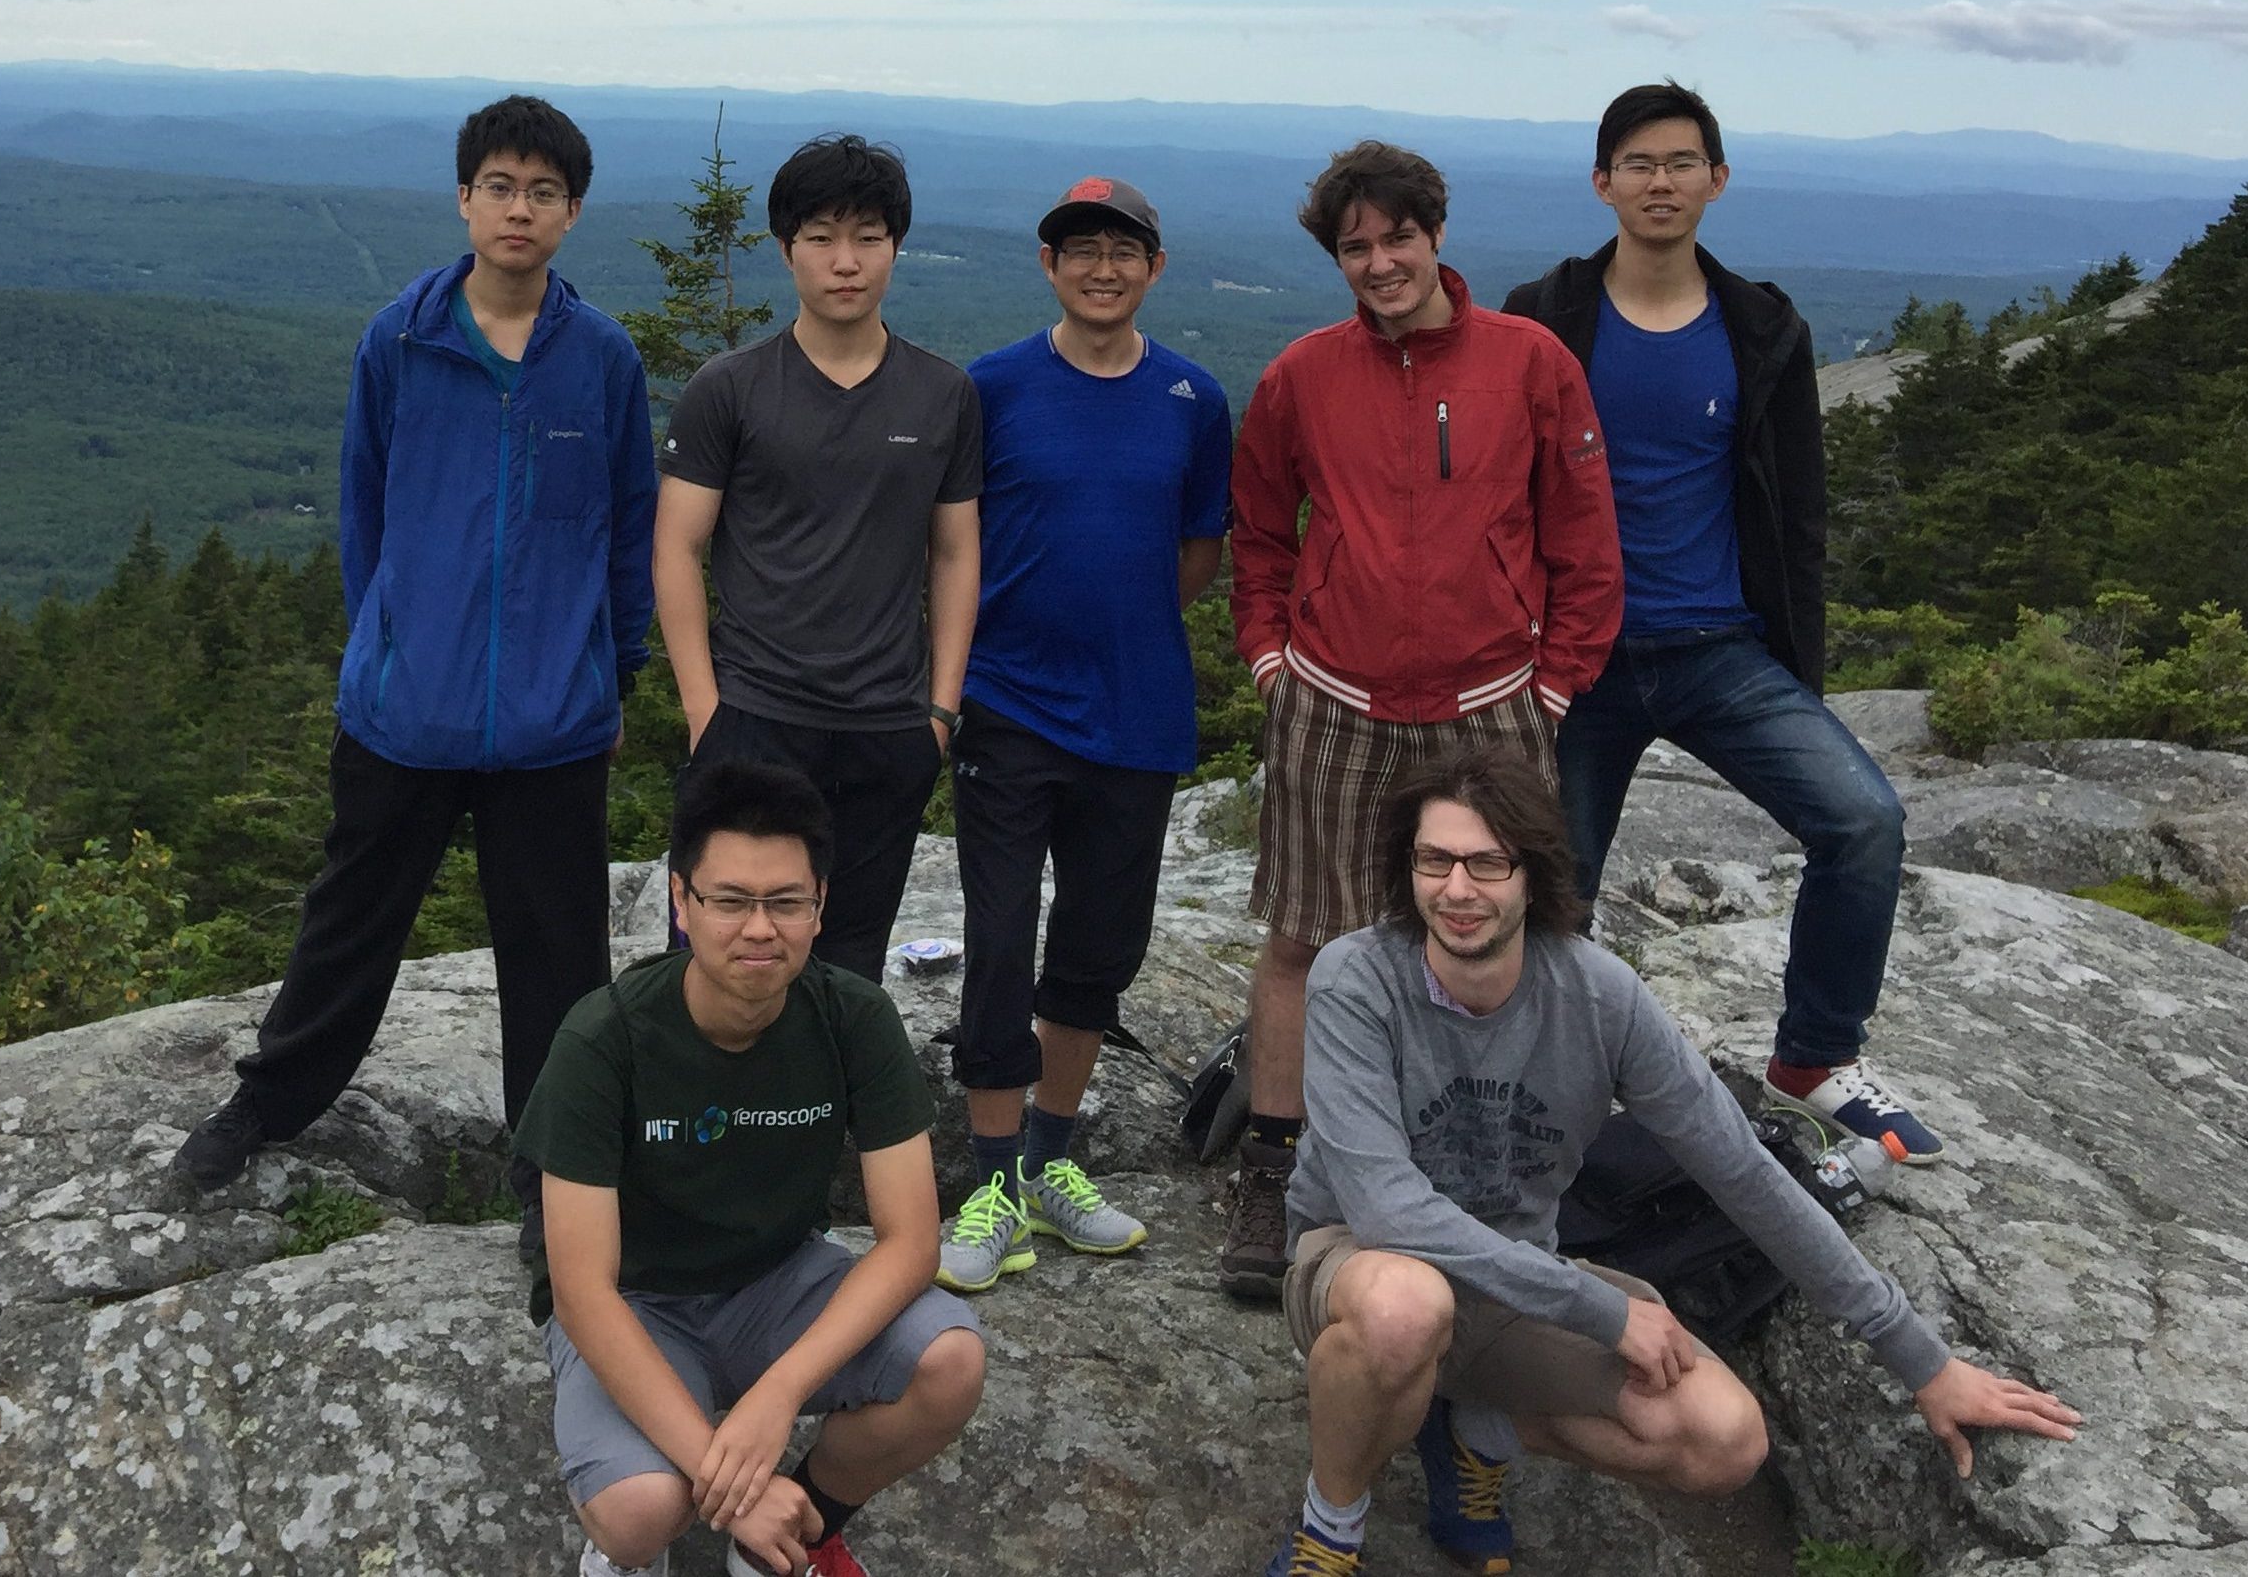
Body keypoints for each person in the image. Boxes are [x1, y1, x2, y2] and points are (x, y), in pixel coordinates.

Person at [1266, 747, 2079, 1576]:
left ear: (1533, 874)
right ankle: (1332, 1527)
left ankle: (1472, 1430)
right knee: (1407, 1308)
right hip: (1364, 1265)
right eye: (1434, 860)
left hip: (1513, 1278)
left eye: (1487, 863)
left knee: (1724, 1439)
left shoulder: (1599, 997)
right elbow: (1387, 1211)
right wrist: (1601, 1308)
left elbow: (1745, 1174)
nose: (1457, 890)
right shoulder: (1358, 978)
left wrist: (1923, 1362)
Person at [174, 95, 657, 1262]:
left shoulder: (599, 359)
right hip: (405, 707)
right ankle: (267, 1105)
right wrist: (383, 644)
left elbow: (629, 529)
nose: (520, 209)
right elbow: (366, 509)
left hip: (550, 717)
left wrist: (615, 671)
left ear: (572, 212)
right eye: (501, 185)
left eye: (544, 192)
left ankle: (552, 1176)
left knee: (557, 954)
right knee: (351, 922)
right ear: (464, 197)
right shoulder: (401, 339)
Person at [1502, 81, 1938, 1159]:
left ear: (1716, 180)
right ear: (1602, 183)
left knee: (1863, 822)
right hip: (1578, 657)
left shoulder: (1760, 328)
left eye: (1682, 162)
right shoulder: (1543, 315)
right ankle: (1544, 1083)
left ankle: (1815, 1059)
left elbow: (1796, 508)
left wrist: (1801, 666)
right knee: (1557, 887)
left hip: (1717, 647)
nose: (1662, 181)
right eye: (1639, 164)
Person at [1221, 140, 1624, 1299]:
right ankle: (1278, 1167)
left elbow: (1583, 536)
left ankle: (1505, 1171)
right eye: (1356, 245)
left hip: (1491, 705)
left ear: (1435, 236)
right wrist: (1268, 658)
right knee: (1305, 935)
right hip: (1333, 702)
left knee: (1511, 943)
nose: (1380, 260)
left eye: (1397, 237)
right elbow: (1260, 530)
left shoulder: (1529, 362)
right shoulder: (1303, 375)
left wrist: (1554, 687)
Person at [518, 759, 985, 1577]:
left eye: (785, 902)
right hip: (639, 1298)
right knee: (639, 1513)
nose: (759, 929)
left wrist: (776, 1399)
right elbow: (582, 1287)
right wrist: (720, 1466)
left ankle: (786, 1542)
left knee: (950, 1362)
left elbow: (911, 1242)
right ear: (681, 901)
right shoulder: (606, 1038)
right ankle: (668, 1540)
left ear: (820, 905)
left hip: (777, 1281)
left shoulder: (853, 1017)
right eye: (730, 900)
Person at [933, 177, 1233, 1293]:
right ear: (1048, 266)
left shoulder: (1194, 399)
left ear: (1154, 267)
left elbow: (1196, 555)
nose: (1101, 268)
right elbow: (949, 541)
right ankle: (994, 1176)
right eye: (1079, 250)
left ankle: (1051, 1165)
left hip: (1137, 711)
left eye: (1123, 250)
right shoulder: (993, 388)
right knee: (1001, 939)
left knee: (1099, 951)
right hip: (1008, 705)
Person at [653, 134, 981, 985]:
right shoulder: (731, 388)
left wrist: (938, 715)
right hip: (754, 716)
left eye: (869, 237)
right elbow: (677, 546)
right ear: (785, 247)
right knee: (717, 962)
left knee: (847, 963)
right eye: (821, 237)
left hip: (887, 727)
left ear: (896, 247)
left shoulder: (942, 395)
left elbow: (953, 554)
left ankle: (820, 1120)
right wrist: (706, 714)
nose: (846, 261)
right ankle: (704, 1121)